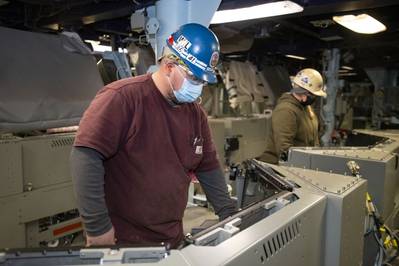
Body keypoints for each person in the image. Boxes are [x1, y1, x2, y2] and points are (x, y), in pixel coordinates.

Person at [70, 23, 236, 248]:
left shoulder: (195, 114)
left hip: (171, 238)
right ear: (168, 66)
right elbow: (85, 156)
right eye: (194, 78)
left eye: (203, 81)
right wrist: (98, 228)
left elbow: (207, 166)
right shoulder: (122, 98)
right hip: (123, 241)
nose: (199, 87)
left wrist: (229, 213)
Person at [259, 68, 326, 164]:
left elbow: (314, 138)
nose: (314, 98)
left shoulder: (306, 108)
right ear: (303, 93)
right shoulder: (286, 111)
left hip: (304, 162)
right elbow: (284, 150)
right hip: (280, 167)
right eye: (313, 95)